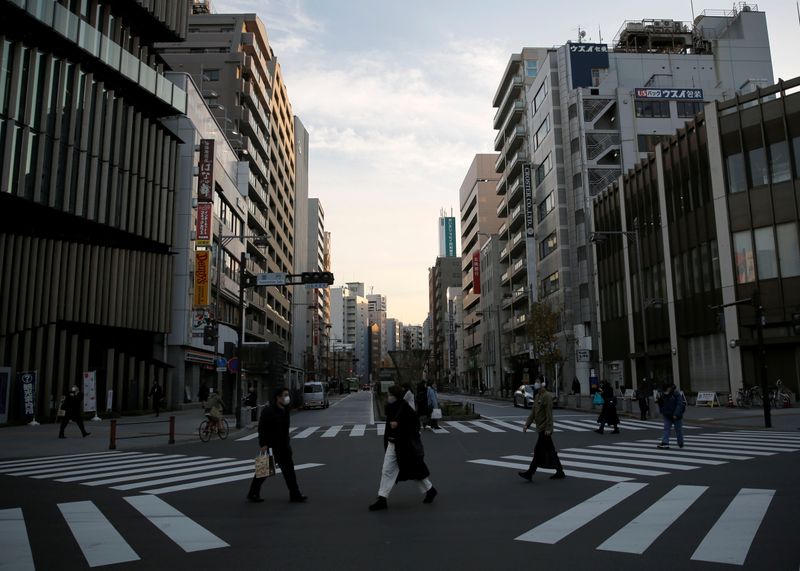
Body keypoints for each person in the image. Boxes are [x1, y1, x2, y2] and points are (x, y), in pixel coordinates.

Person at [369, 385, 436, 511]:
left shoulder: (405, 408)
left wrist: (399, 425)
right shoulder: (391, 409)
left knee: (414, 471)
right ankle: (382, 498)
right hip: (393, 444)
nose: (388, 397)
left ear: (395, 396)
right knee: (387, 470)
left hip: (405, 447)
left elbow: (415, 426)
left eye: (389, 395)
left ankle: (430, 490)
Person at [247, 387, 307, 503]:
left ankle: (295, 494)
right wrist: (263, 443)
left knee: (290, 472)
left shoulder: (285, 409)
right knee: (263, 472)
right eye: (285, 395)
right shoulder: (269, 410)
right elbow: (262, 428)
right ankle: (253, 493)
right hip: (271, 446)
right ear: (278, 397)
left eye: (287, 395)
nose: (287, 397)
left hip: (284, 446)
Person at [519, 379, 565, 481]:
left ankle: (530, 473)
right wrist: (527, 424)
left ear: (543, 385)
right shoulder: (537, 396)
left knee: (538, 450)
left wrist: (549, 428)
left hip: (545, 429)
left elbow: (549, 413)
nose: (536, 383)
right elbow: (533, 412)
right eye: (535, 382)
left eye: (538, 382)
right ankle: (560, 471)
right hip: (540, 428)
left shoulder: (547, 396)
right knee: (551, 451)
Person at [657, 383, 686, 449]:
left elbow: (680, 404)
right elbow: (661, 404)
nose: (665, 391)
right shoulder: (663, 394)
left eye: (666, 389)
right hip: (667, 415)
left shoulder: (676, 394)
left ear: (669, 388)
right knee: (666, 428)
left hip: (676, 415)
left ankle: (680, 443)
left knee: (678, 430)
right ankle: (665, 443)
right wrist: (662, 411)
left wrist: (676, 414)